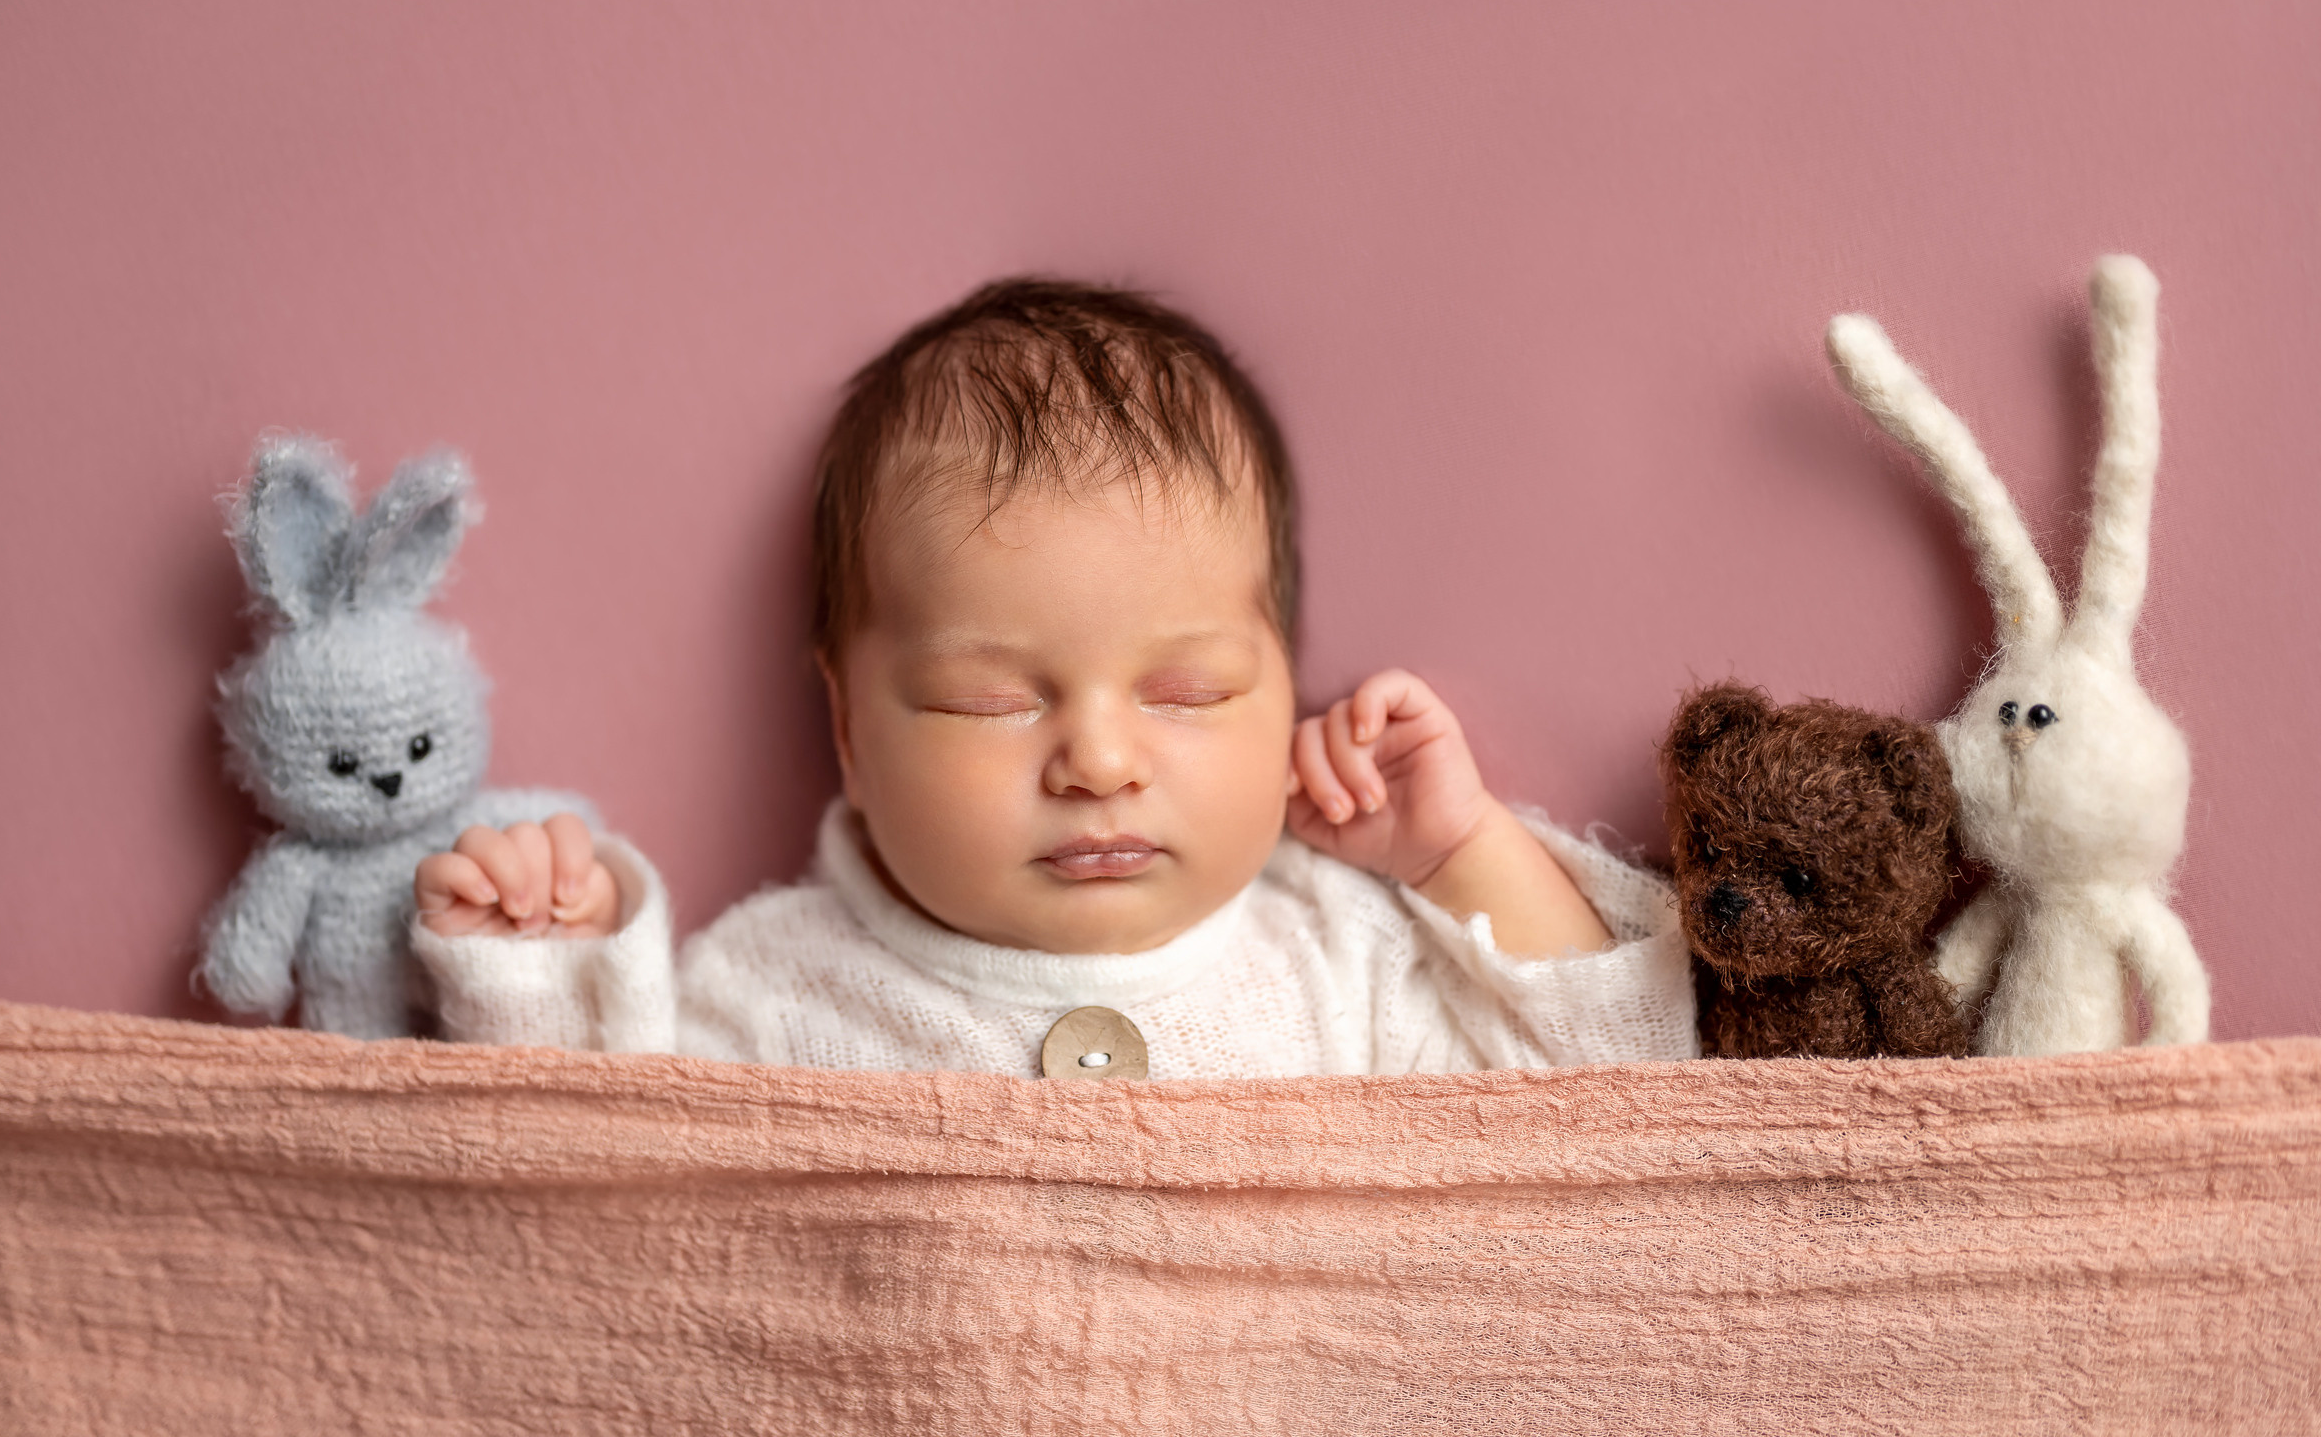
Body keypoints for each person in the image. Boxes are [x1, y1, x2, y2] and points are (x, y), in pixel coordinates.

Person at [410, 279, 1694, 1076]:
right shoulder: (773, 990)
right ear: (849, 727)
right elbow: (601, 1214)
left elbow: (1612, 1094)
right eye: (992, 700)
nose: (1100, 762)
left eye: (1188, 692)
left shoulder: (1332, 959)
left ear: (1285, 688)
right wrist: (534, 969)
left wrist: (1455, 854)